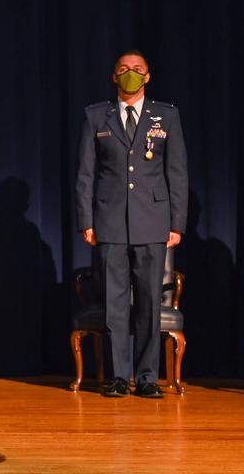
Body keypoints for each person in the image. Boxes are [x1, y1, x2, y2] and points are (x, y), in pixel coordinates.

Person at [75, 50, 188, 398]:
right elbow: (86, 175)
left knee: (150, 302)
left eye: (137, 70)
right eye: (123, 70)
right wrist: (86, 221)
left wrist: (176, 223)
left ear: (148, 76)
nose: (130, 74)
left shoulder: (165, 116)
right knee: (115, 303)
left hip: (154, 223)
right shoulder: (97, 116)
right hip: (109, 223)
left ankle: (148, 376)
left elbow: (177, 174)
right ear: (114, 77)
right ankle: (119, 376)